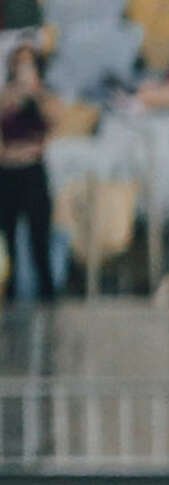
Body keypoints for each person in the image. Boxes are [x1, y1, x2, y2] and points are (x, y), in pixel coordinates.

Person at [0, 42, 55, 303]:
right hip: (7, 175)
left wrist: (34, 94)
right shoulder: (4, 97)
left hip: (34, 173)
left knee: (39, 243)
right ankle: (9, 298)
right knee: (8, 242)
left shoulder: (44, 96)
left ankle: (47, 298)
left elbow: (53, 125)